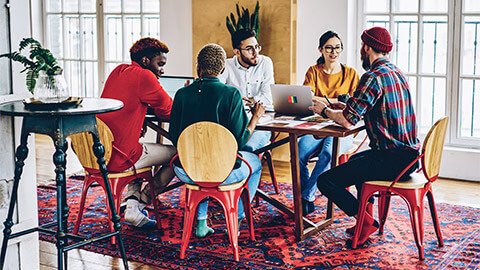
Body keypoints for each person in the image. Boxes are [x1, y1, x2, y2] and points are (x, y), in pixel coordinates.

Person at [311, 26, 420, 246]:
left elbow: (347, 120)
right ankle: (364, 222)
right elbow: (367, 108)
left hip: (392, 160)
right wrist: (347, 105)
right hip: (411, 158)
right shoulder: (396, 72)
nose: (361, 50)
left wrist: (323, 110)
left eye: (362, 46)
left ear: (367, 47)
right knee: (355, 161)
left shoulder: (372, 76)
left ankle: (365, 220)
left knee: (326, 181)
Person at [169, 43, 265, 238]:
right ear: (222, 69)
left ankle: (201, 224)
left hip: (186, 170)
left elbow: (173, 135)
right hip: (223, 172)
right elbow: (240, 142)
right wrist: (255, 118)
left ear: (198, 67)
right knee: (255, 162)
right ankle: (236, 218)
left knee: (200, 161)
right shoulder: (231, 95)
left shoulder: (181, 94)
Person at [98, 37, 176, 229]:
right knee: (180, 154)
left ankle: (132, 205)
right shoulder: (145, 76)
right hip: (120, 156)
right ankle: (143, 200)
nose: (162, 70)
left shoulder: (118, 71)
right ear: (145, 61)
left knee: (142, 151)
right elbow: (168, 110)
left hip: (99, 152)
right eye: (160, 64)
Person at [299, 30, 359, 216]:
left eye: (337, 48)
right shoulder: (313, 71)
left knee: (327, 152)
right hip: (316, 125)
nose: (334, 52)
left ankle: (306, 196)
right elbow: (306, 98)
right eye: (329, 48)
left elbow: (354, 104)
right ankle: (307, 192)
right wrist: (334, 101)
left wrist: (322, 101)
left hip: (343, 128)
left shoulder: (350, 73)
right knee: (299, 151)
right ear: (321, 50)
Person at [218, 28, 273, 152]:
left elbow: (268, 97)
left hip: (261, 124)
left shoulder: (265, 63)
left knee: (246, 148)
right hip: (235, 123)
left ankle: (246, 169)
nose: (255, 53)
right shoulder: (227, 65)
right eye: (249, 49)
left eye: (256, 47)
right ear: (237, 52)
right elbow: (219, 93)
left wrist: (242, 100)